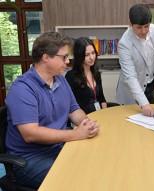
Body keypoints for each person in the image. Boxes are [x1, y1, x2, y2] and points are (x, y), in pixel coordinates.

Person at [5, 31, 100, 189]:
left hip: (58, 147)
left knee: (95, 163)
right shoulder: (22, 89)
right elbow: (31, 134)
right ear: (45, 57)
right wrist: (75, 134)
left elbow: (74, 110)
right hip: (30, 159)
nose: (68, 61)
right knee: (80, 180)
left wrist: (87, 125)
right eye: (63, 57)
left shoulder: (61, 81)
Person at [116, 3, 154, 117]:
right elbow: (130, 77)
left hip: (150, 85)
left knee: (151, 122)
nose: (144, 31)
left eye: (146, 26)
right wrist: (144, 103)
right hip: (132, 91)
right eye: (139, 27)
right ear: (130, 24)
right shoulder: (124, 44)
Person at [65, 37, 107, 114]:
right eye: (87, 55)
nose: (92, 57)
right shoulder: (71, 76)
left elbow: (102, 99)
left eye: (93, 53)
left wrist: (104, 115)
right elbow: (69, 105)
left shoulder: (96, 73)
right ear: (79, 56)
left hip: (99, 115)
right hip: (82, 119)